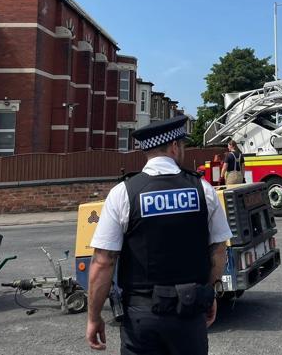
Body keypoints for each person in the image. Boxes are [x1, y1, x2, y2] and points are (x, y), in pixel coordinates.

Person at [86, 115, 232, 354]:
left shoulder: (123, 193)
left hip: (142, 317)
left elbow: (103, 261)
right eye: (182, 145)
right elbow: (218, 250)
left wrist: (93, 317)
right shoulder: (203, 190)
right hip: (190, 311)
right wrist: (209, 292)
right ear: (174, 147)